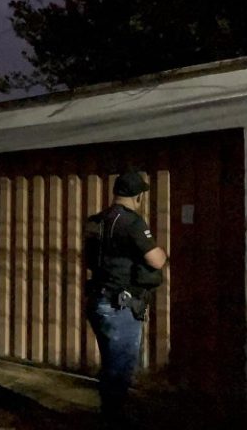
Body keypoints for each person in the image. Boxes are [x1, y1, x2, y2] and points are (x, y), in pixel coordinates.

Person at [84, 171, 168, 425]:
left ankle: (108, 413)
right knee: (120, 369)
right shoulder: (132, 223)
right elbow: (156, 260)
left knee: (110, 364)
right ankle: (114, 419)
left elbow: (89, 258)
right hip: (120, 306)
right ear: (138, 196)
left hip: (98, 302)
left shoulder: (95, 221)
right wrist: (162, 252)